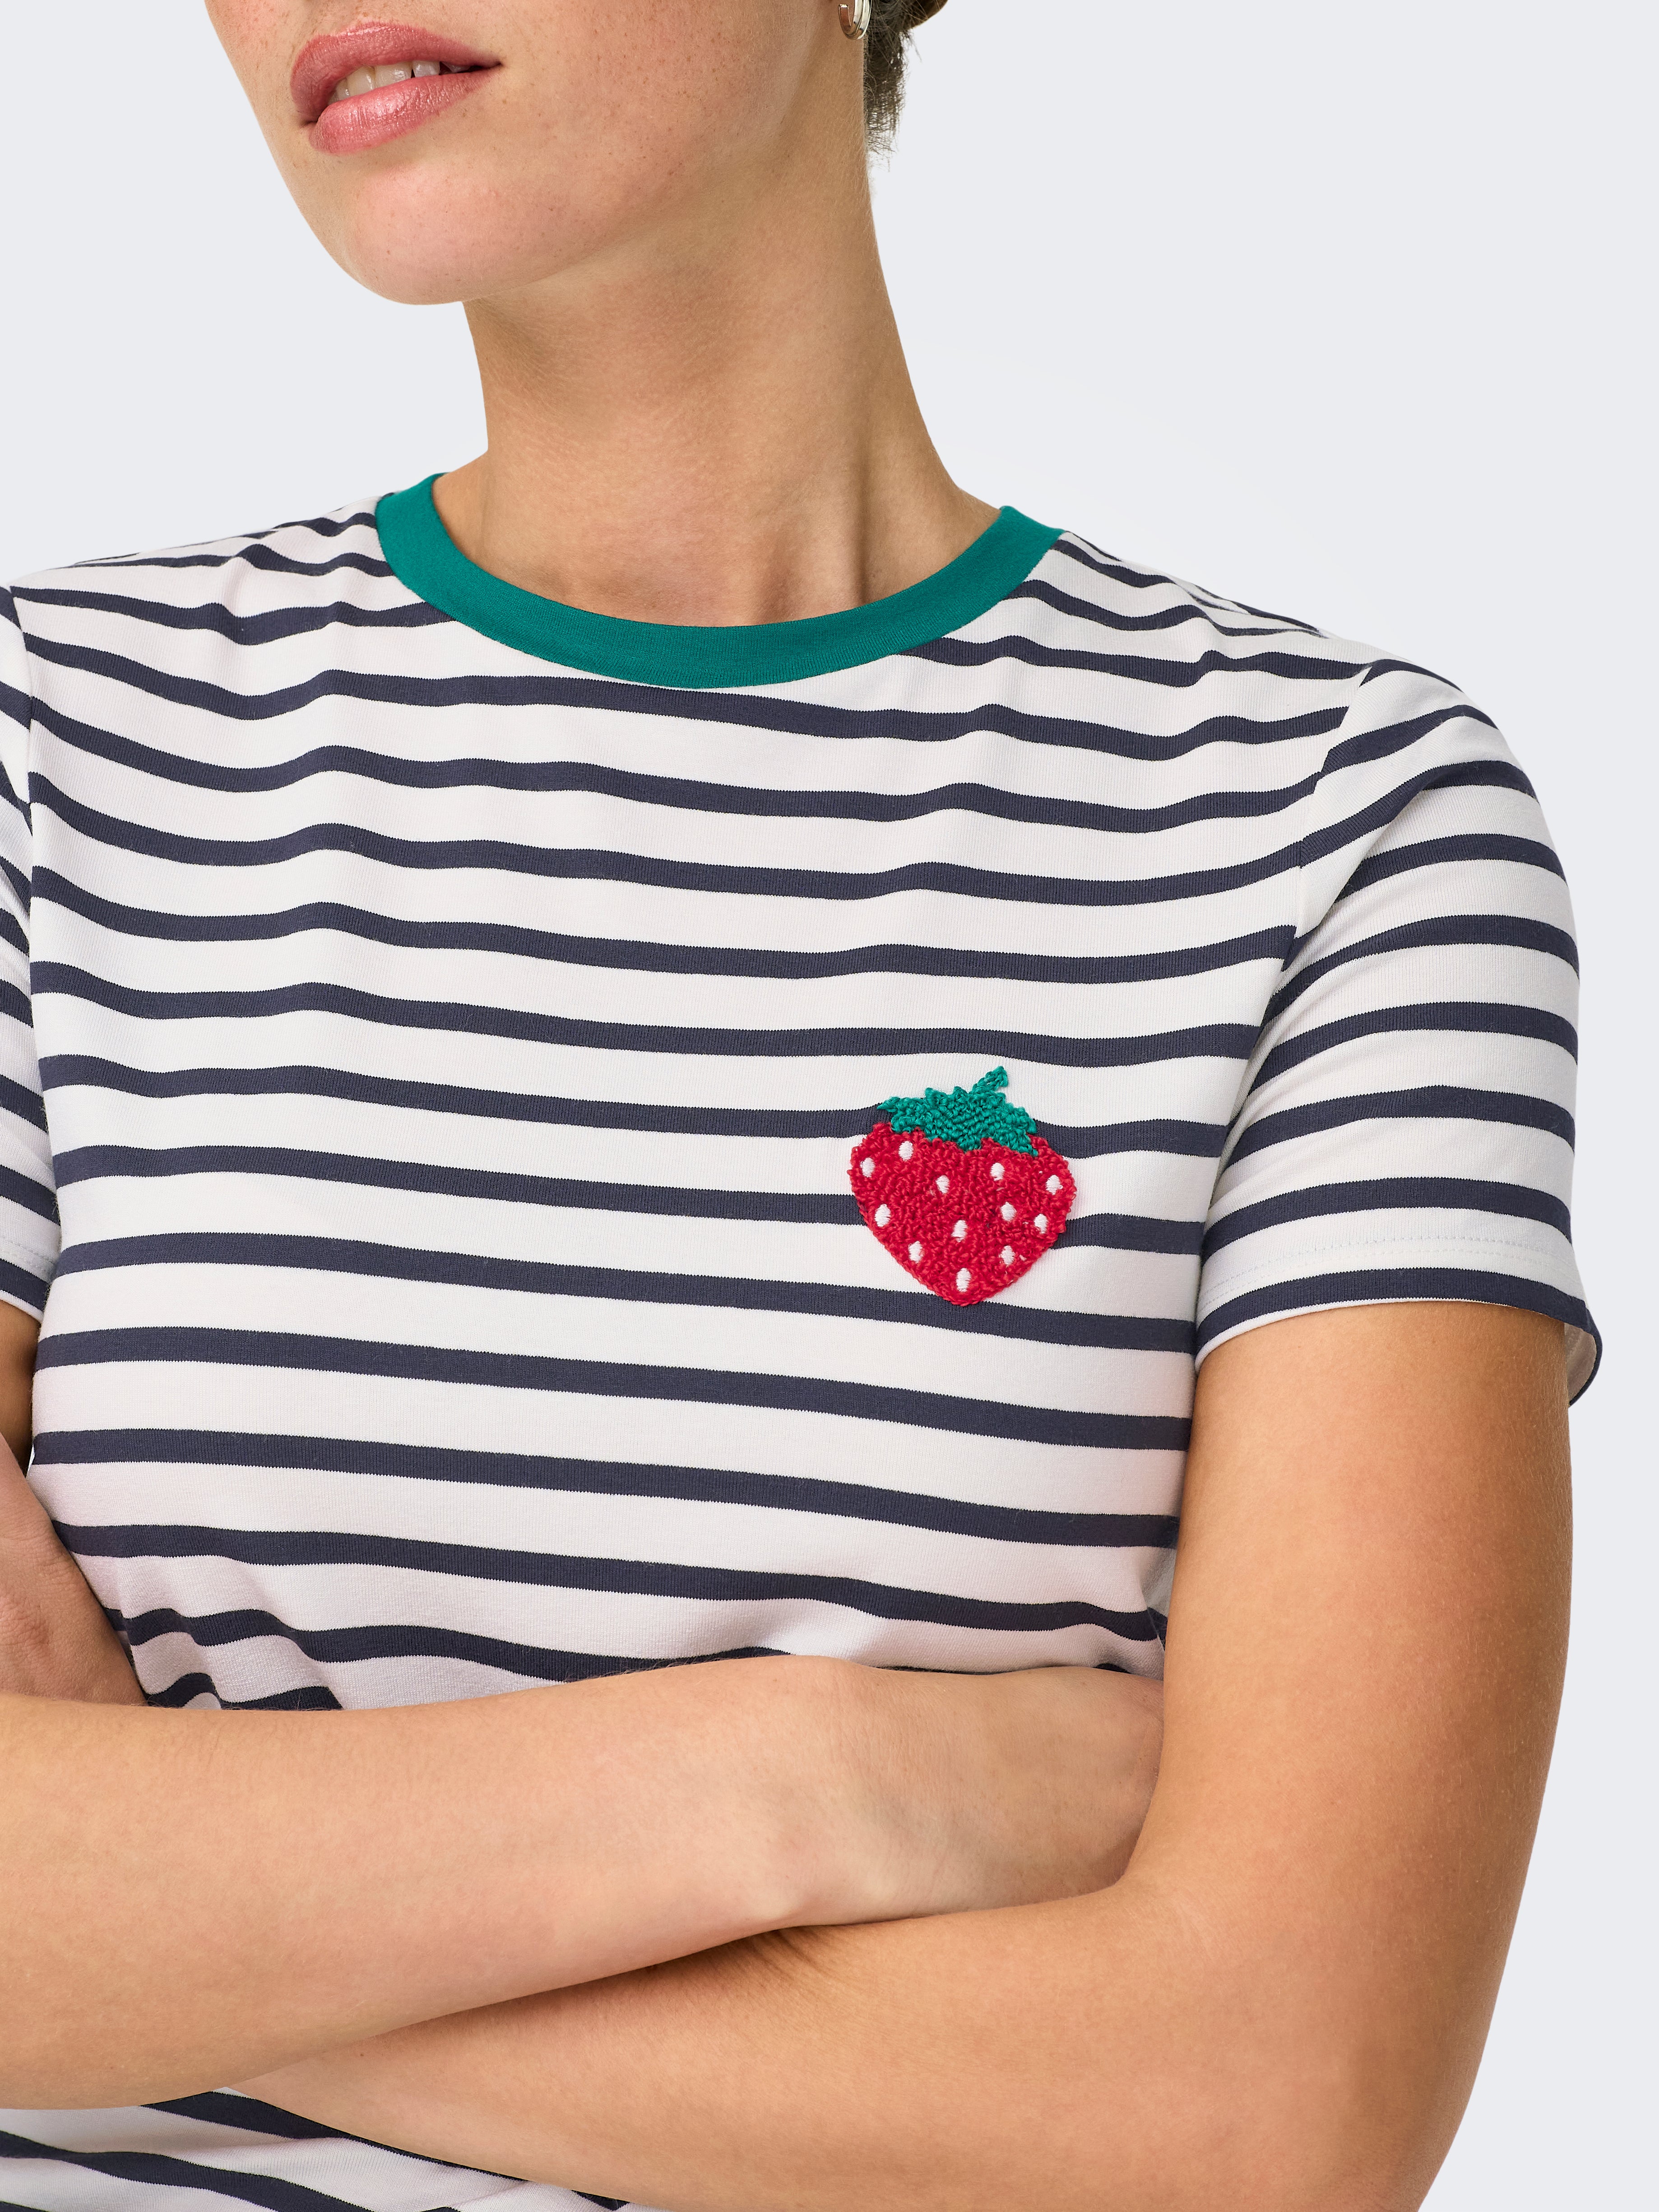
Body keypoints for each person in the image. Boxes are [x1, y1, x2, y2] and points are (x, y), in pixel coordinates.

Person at [0, 5, 1596, 2210]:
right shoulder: (56, 749)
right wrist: (803, 1775)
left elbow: (1271, 2112)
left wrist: (145, 1941)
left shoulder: (1334, 820)